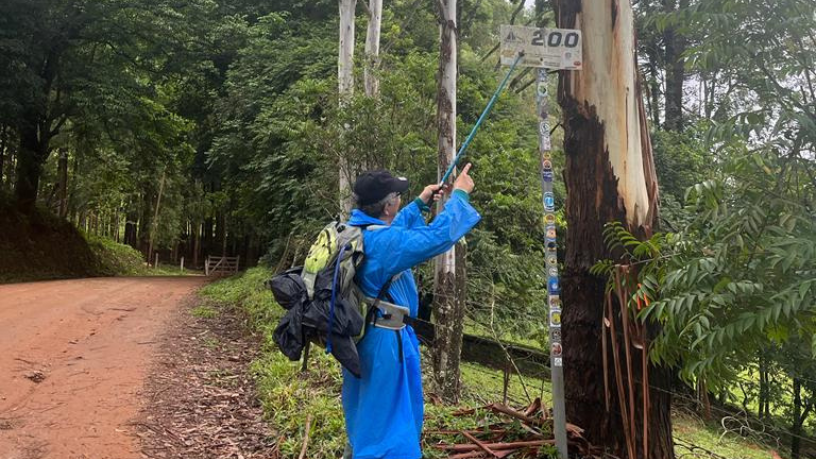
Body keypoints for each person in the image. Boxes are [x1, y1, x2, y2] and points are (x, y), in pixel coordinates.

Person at [342, 164, 481, 459]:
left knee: (369, 416)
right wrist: (459, 196)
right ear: (389, 205)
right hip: (385, 345)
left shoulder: (359, 229)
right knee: (389, 431)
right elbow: (435, 239)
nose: (400, 201)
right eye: (399, 197)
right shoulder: (383, 242)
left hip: (364, 337)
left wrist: (420, 203)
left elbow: (393, 233)